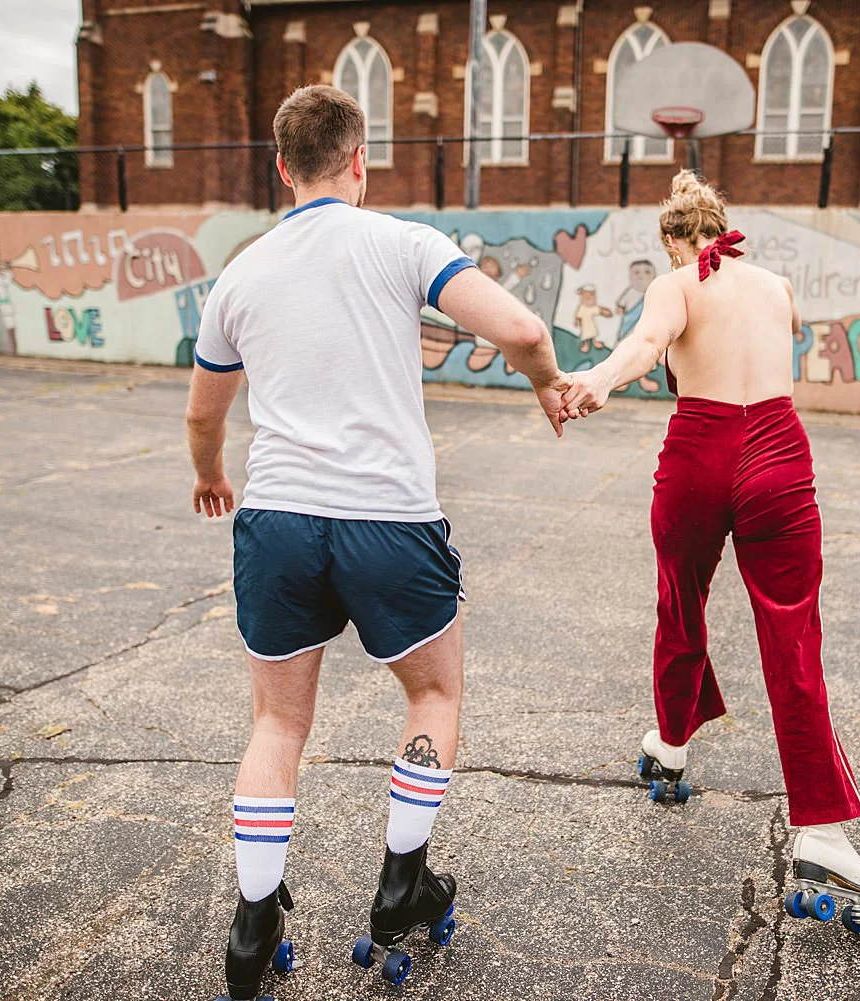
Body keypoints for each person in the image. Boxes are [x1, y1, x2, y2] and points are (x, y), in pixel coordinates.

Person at [185, 85, 571, 998]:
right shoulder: (404, 244)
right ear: (360, 160)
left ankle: (252, 923)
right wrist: (546, 380)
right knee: (433, 693)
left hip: (278, 520)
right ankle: (402, 879)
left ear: (282, 167)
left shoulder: (240, 273)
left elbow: (204, 412)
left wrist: (210, 474)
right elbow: (523, 328)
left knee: (277, 722)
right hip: (390, 519)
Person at [558, 171, 860, 926]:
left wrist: (603, 378)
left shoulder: (676, 284)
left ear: (673, 240)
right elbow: (788, 339)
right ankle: (822, 829)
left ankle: (673, 742)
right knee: (793, 638)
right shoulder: (777, 287)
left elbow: (647, 343)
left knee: (681, 604)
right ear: (724, 229)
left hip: (700, 453)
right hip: (779, 452)